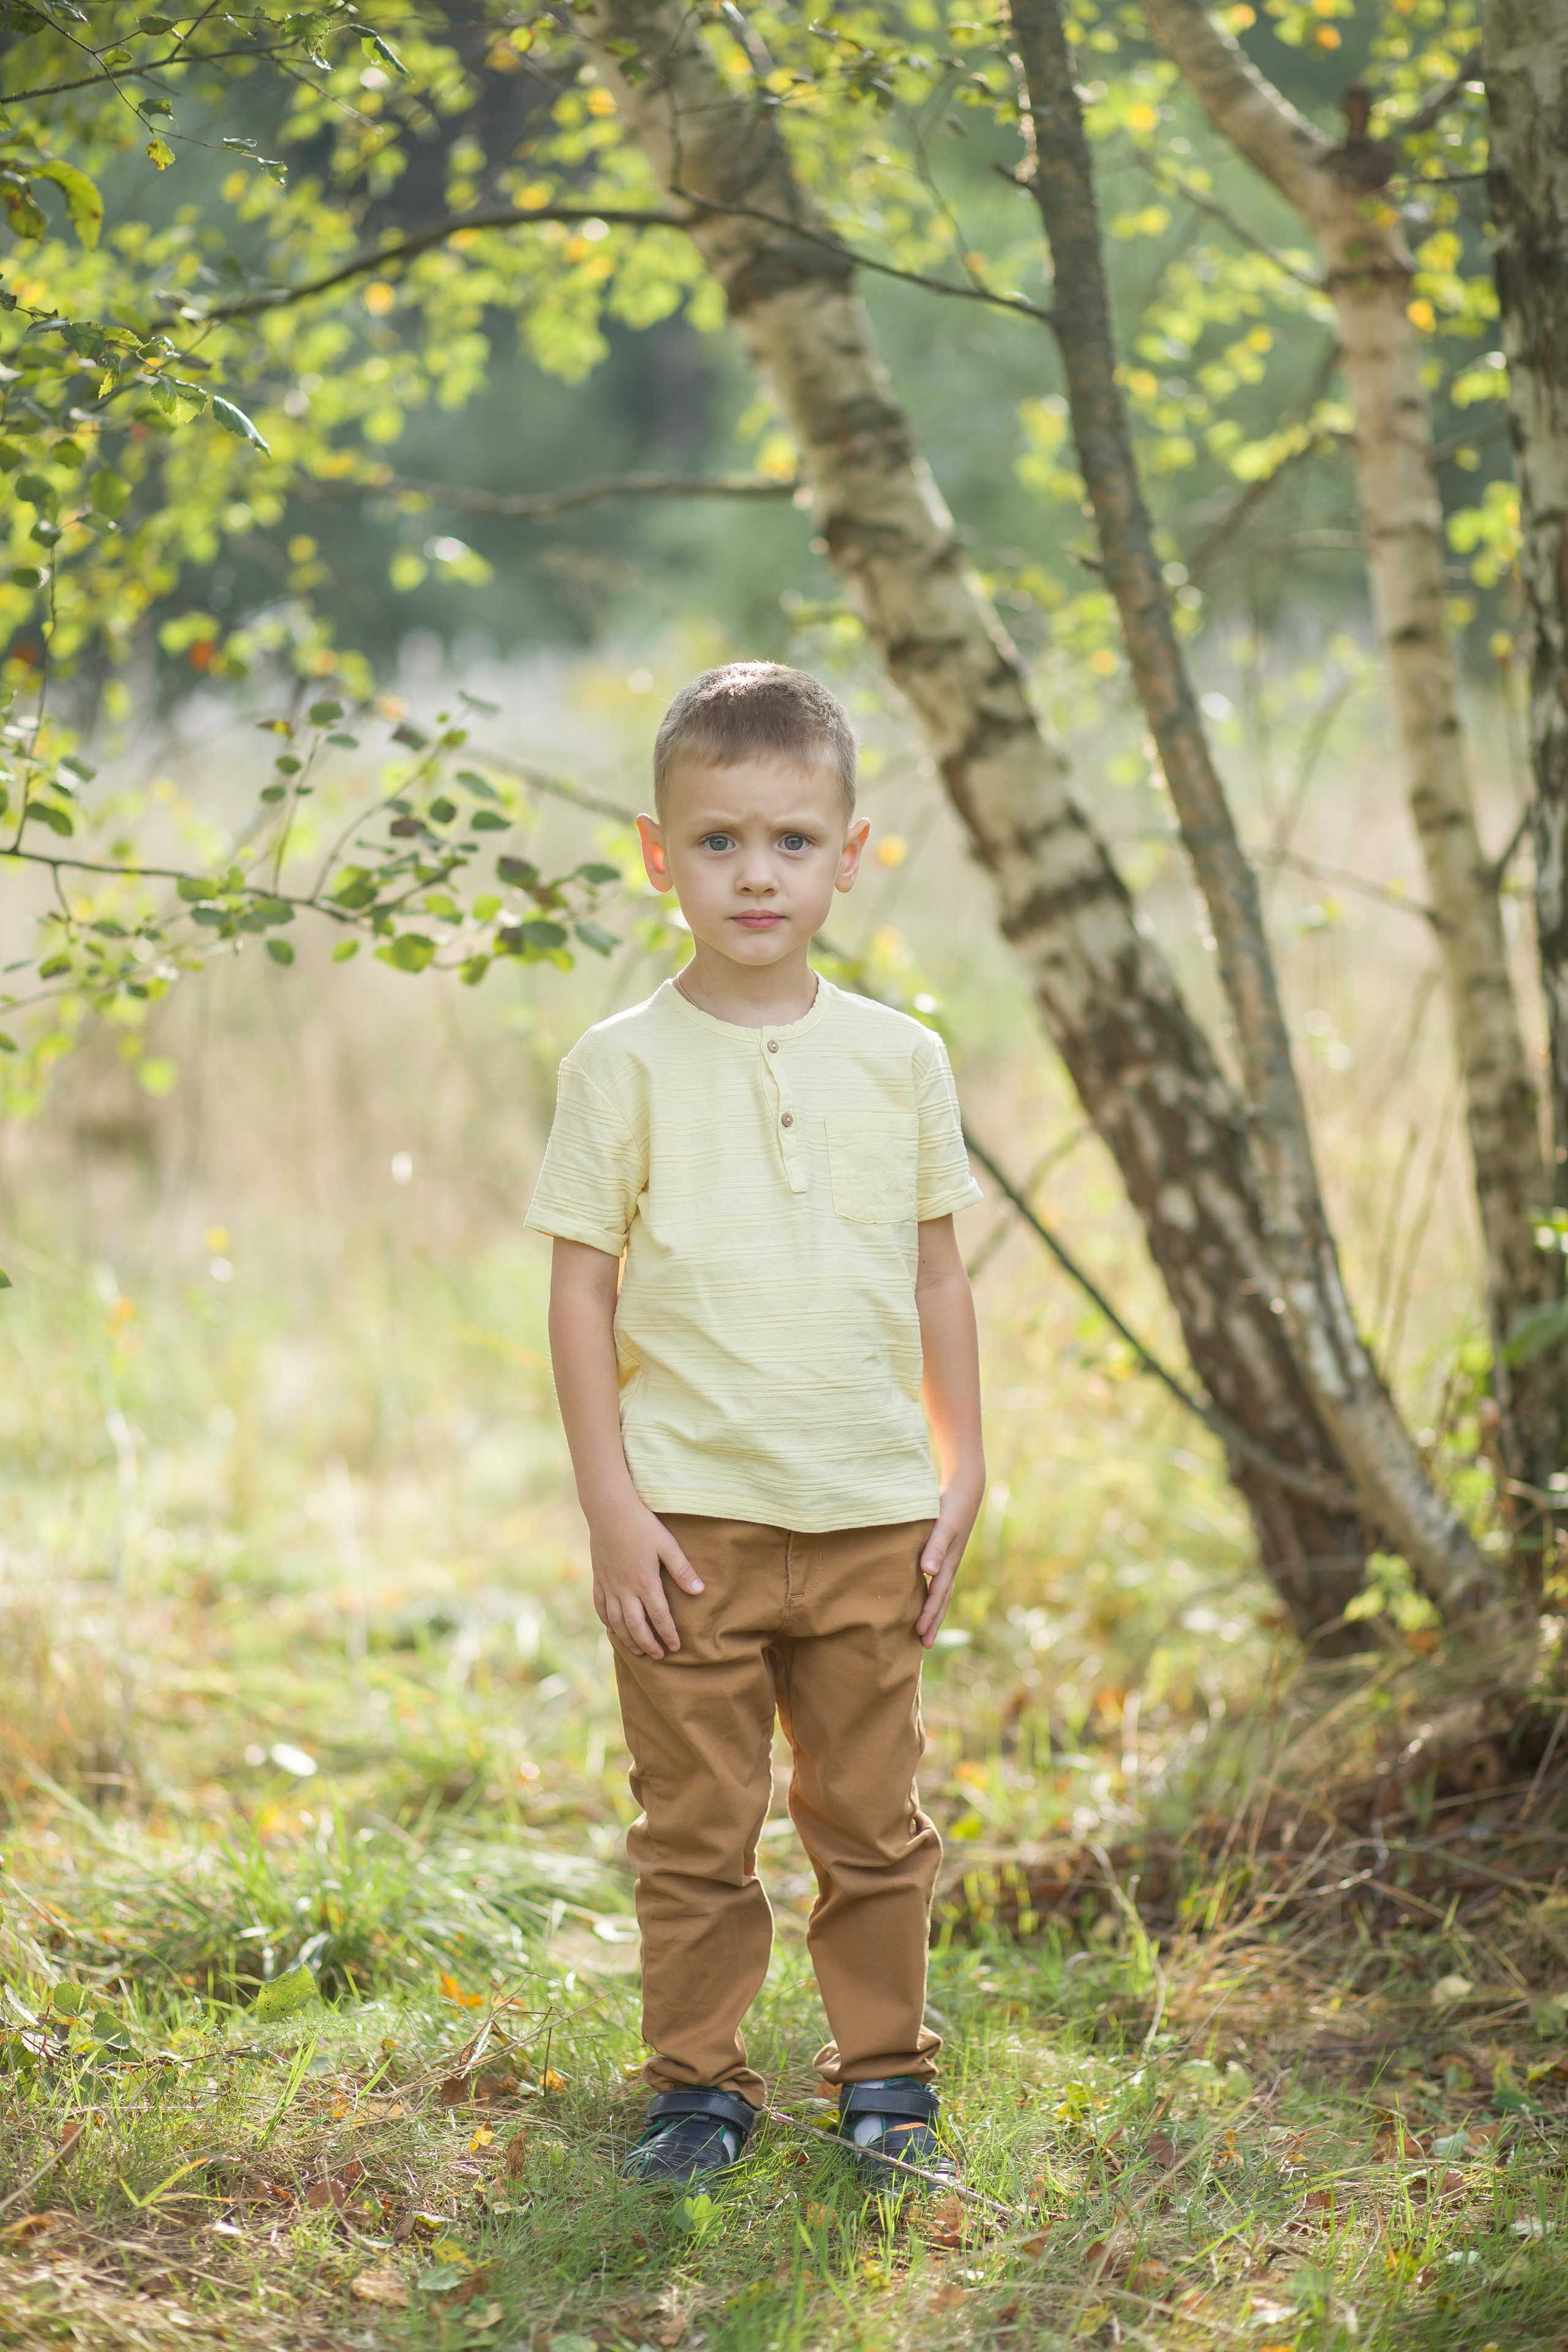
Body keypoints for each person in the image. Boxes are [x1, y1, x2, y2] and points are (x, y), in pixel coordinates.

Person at [525, 662, 985, 2191]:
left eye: (792, 842)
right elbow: (581, 1298)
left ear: (850, 856)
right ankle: (697, 2091)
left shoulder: (901, 1060)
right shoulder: (620, 1067)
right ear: (659, 857)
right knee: (696, 1829)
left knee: (872, 1820)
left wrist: (958, 1464)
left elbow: (934, 1275)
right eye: (717, 842)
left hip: (866, 1509)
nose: (756, 874)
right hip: (688, 1526)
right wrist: (611, 1506)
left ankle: (884, 2081)